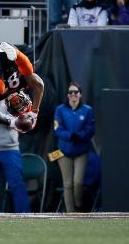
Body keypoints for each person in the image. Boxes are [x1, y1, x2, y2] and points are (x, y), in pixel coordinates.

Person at [0, 35, 43, 131]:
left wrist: (11, 122)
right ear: (26, 98)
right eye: (21, 103)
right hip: (10, 55)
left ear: (8, 107)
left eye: (16, 107)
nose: (17, 103)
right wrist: (34, 112)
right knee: (28, 71)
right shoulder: (24, 84)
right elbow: (40, 84)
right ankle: (16, 53)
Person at [53, 82, 96, 212]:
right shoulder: (60, 110)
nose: (73, 94)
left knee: (78, 183)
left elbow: (91, 128)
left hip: (81, 150)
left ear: (80, 94)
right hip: (63, 151)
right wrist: (69, 136)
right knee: (67, 184)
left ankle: (78, 205)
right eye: (70, 92)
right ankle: (70, 213)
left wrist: (80, 135)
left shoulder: (87, 110)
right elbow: (57, 128)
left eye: (76, 92)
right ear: (67, 95)